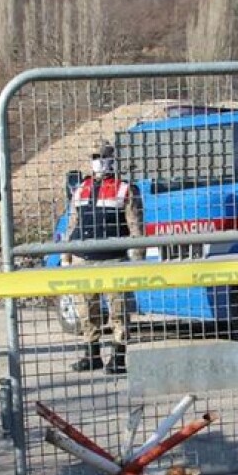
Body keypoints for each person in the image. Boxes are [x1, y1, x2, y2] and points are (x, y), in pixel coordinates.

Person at [63, 141, 144, 375]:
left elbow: (135, 226)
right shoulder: (81, 188)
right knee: (86, 309)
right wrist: (66, 255)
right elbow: (72, 223)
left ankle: (118, 357)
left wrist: (137, 259)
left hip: (114, 260)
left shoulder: (124, 189)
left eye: (103, 156)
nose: (98, 160)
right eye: (95, 156)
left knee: (119, 310)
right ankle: (91, 355)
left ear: (113, 159)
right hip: (83, 258)